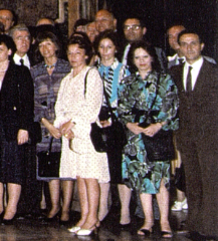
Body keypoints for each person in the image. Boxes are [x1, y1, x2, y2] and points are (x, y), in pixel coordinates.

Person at [117, 42, 179, 237]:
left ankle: (165, 221)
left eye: (145, 57)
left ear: (152, 57)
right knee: (142, 180)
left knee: (160, 180)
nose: (141, 61)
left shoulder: (164, 79)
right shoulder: (127, 82)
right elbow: (122, 109)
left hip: (157, 134)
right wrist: (130, 125)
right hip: (136, 138)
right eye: (137, 58)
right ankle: (148, 220)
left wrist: (158, 125)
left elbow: (172, 107)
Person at [54, 34, 109, 236]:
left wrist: (73, 124)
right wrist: (62, 125)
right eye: (70, 53)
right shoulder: (67, 79)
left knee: (90, 177)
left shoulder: (91, 75)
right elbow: (59, 107)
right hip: (71, 137)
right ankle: (85, 216)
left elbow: (92, 106)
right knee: (79, 177)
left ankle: (93, 218)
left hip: (86, 133)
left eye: (78, 53)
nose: (74, 57)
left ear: (86, 55)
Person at [0, 33, 33, 222]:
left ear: (10, 51)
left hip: (14, 126)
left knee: (14, 167)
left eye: (1, 50)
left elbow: (27, 102)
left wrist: (24, 127)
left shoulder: (21, 72)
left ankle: (11, 208)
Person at [170, 30, 218, 240]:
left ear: (202, 46)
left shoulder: (213, 72)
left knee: (210, 180)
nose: (189, 48)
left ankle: (212, 226)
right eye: (184, 44)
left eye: (193, 43)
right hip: (186, 136)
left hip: (210, 135)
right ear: (178, 47)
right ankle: (195, 222)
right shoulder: (174, 72)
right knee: (193, 180)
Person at [33, 29, 73, 220]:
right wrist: (48, 125)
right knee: (51, 168)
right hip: (45, 127)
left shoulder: (68, 68)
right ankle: (54, 206)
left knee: (66, 168)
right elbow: (31, 102)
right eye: (41, 45)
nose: (45, 48)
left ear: (56, 46)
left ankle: (66, 208)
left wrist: (63, 124)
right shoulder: (35, 71)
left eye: (48, 43)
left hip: (66, 126)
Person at [93, 30, 131, 226]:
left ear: (116, 49)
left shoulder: (124, 70)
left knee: (120, 168)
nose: (105, 51)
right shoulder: (93, 70)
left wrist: (113, 117)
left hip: (119, 124)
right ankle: (102, 206)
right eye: (102, 47)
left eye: (109, 47)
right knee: (102, 168)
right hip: (99, 123)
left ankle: (125, 210)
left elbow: (128, 98)